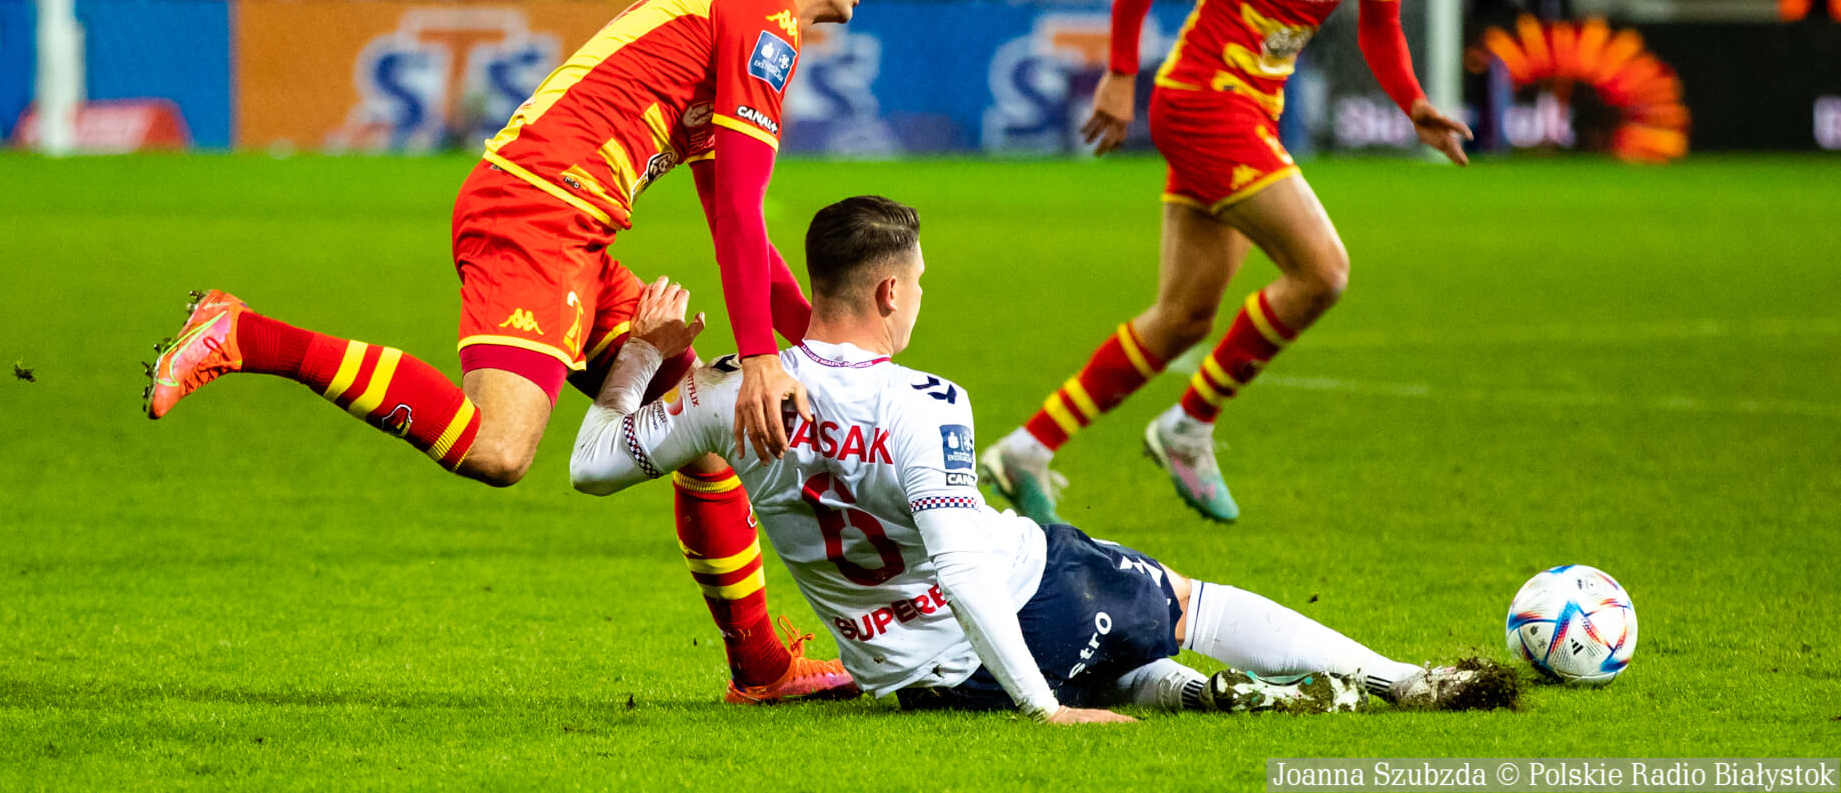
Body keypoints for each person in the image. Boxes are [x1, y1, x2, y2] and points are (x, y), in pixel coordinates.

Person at [142, 0, 883, 705]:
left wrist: (821, 343)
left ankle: (760, 667)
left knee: (699, 425)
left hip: (573, 228)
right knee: (498, 449)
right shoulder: (760, 12)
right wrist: (761, 359)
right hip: (538, 214)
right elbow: (744, 213)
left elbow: (729, 213)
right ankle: (243, 333)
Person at [570, 196, 1518, 721]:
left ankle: (1199, 695)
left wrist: (643, 355)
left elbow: (593, 466)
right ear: (889, 291)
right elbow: (962, 569)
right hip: (1028, 605)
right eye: (919, 283)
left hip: (916, 682)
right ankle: (1406, 680)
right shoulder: (924, 403)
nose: (921, 298)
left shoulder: (729, 394)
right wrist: (1042, 712)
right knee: (1188, 601)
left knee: (1116, 664)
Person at [978, 0, 1473, 527]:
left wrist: (1414, 104)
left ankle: (1027, 449)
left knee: (1182, 318)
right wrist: (1119, 75)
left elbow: (1377, 24)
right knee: (1323, 272)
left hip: (1252, 110)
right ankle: (1189, 426)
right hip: (1205, 103)